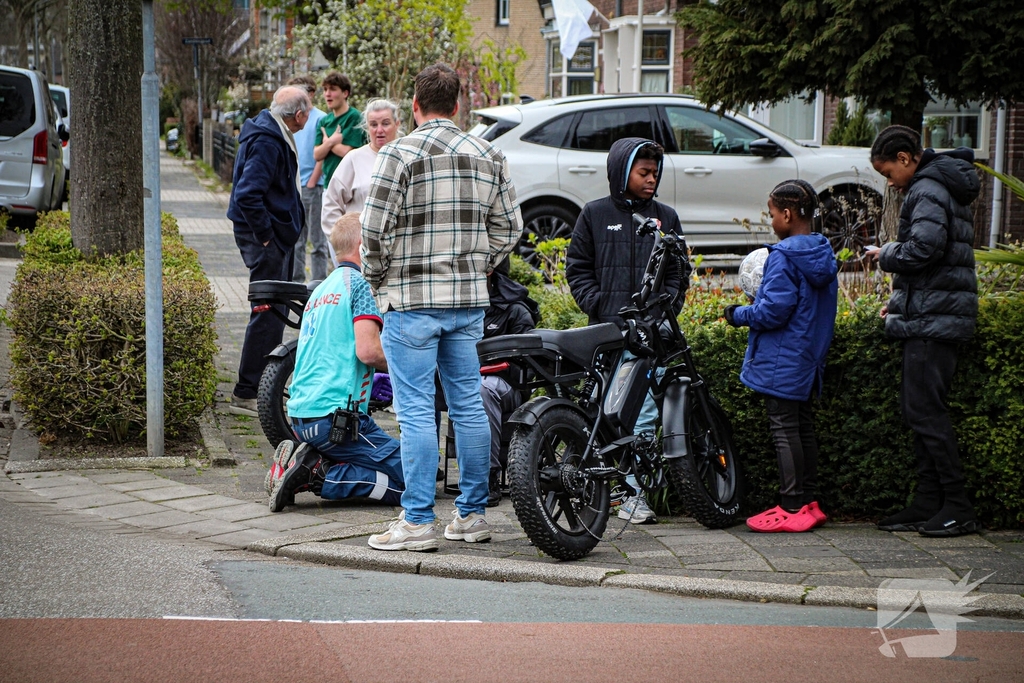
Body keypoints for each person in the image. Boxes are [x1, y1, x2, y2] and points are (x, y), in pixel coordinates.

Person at [361, 63, 522, 552]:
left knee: (414, 411)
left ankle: (416, 522)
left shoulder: (399, 153)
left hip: (410, 302)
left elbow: (372, 230)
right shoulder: (489, 153)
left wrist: (377, 278)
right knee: (468, 405)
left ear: (414, 106)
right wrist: (481, 265)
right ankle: (471, 515)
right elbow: (511, 228)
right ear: (458, 105)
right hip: (467, 301)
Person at [564, 138, 689, 524]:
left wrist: (661, 310)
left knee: (643, 413)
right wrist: (601, 305)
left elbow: (678, 272)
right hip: (606, 335)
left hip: (650, 337)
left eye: (655, 173)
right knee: (605, 412)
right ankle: (612, 489)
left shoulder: (666, 216)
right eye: (643, 173)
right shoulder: (594, 214)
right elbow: (577, 268)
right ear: (622, 173)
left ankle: (635, 491)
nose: (651, 180)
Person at [866, 125, 980, 537]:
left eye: (888, 173)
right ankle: (929, 503)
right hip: (934, 315)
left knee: (925, 414)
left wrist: (886, 253)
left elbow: (925, 249)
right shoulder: (936, 183)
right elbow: (938, 263)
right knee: (920, 412)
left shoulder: (928, 188)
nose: (889, 183)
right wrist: (897, 304)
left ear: (905, 158)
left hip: (936, 323)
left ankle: (957, 507)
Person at [268, 213, 404, 512]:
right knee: (413, 479)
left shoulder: (321, 289)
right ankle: (318, 473)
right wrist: (406, 368)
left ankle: (302, 461)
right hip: (335, 421)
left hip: (303, 416)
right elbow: (368, 352)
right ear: (362, 245)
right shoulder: (360, 286)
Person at [723, 179, 837, 533]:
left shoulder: (784, 258)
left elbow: (772, 312)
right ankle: (808, 501)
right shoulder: (821, 252)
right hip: (807, 356)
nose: (770, 221)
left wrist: (736, 314)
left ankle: (790, 505)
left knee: (784, 429)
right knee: (802, 427)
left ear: (787, 215)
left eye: (772, 214)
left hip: (781, 359)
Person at [226, 85, 311, 416]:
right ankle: (248, 390)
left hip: (275, 237)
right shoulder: (267, 139)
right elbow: (248, 193)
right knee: (267, 312)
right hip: (268, 239)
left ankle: (260, 387)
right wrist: (265, 237)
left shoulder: (269, 131)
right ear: (299, 114)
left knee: (272, 312)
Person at [321, 98, 402, 266]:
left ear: (397, 124)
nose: (379, 130)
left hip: (399, 256)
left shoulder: (407, 158)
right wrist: (343, 247)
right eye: (373, 125)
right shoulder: (354, 159)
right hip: (360, 257)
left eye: (385, 123)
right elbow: (331, 205)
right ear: (367, 127)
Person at [286, 75, 330, 284]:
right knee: (296, 239)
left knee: (317, 240)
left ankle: (319, 283)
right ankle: (296, 282)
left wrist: (313, 180)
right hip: (293, 185)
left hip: (312, 185)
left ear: (310, 94)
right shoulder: (291, 117)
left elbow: (324, 151)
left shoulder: (321, 118)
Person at [313, 71, 367, 187]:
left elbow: (347, 152)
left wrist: (326, 143)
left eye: (332, 89)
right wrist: (332, 141)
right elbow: (317, 155)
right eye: (325, 89)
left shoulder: (354, 117)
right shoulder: (324, 121)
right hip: (328, 184)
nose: (327, 94)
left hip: (351, 185)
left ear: (345, 93)